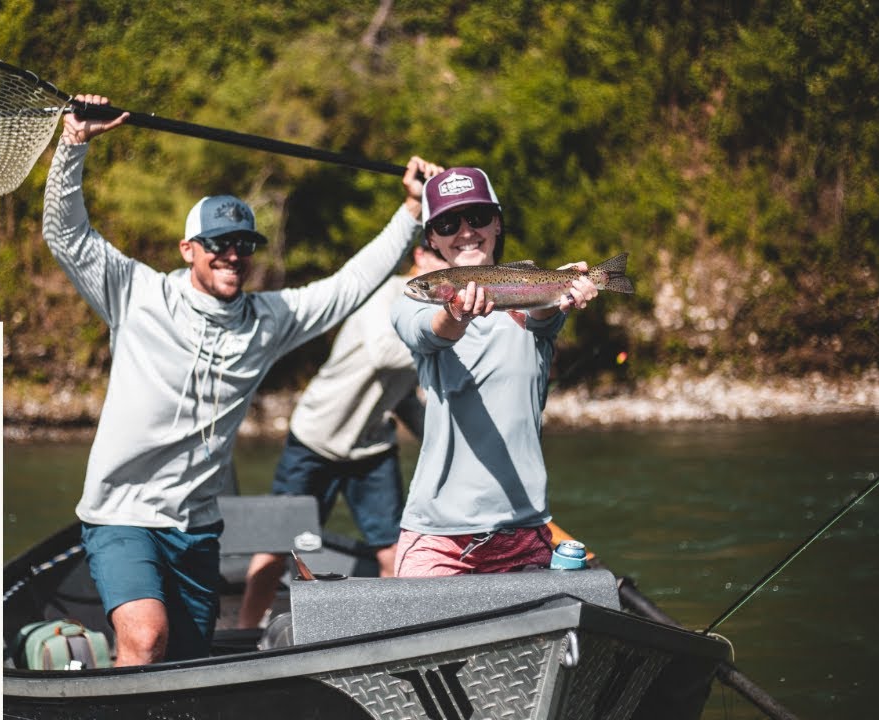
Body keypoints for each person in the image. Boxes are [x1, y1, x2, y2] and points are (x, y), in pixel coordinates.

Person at [42, 93, 442, 664]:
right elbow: (68, 236)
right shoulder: (136, 294)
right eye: (218, 244)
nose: (233, 255)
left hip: (198, 528)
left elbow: (350, 284)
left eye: (245, 245)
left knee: (185, 659)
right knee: (145, 637)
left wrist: (410, 214)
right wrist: (73, 144)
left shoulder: (267, 322)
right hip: (122, 512)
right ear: (188, 250)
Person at [389, 167, 599, 577]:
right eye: (449, 223)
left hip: (524, 531)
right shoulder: (414, 304)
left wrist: (567, 286)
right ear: (431, 238)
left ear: (497, 223)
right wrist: (455, 313)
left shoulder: (532, 304)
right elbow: (431, 332)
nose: (466, 231)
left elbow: (541, 314)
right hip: (437, 538)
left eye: (478, 218)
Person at [236, 241, 450, 629]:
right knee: (276, 547)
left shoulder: (441, 321)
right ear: (419, 257)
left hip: (370, 449)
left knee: (393, 554)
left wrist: (447, 444)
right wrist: (458, 336)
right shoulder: (388, 295)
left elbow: (401, 396)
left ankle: (390, 637)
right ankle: (243, 633)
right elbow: (385, 353)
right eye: (439, 259)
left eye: (453, 265)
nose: (446, 272)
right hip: (315, 440)